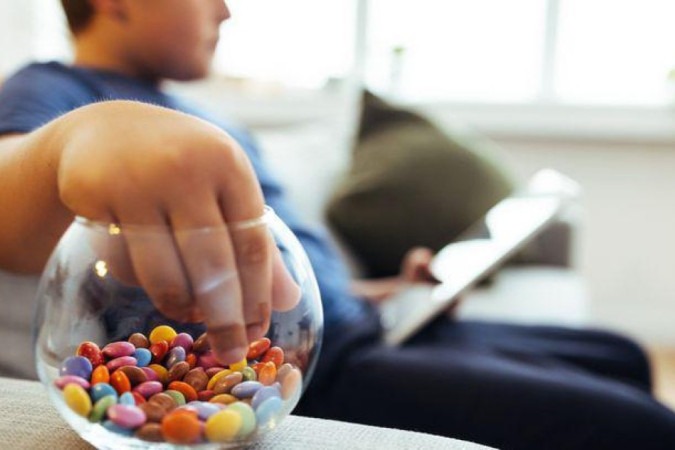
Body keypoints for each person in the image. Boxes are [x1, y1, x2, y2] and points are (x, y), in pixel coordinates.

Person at [0, 1, 674, 449]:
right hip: (310, 368)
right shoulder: (55, 90)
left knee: (622, 353)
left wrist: (386, 288)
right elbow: (12, 196)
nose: (227, 9)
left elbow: (284, 266)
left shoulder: (207, 114)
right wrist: (79, 140)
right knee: (640, 426)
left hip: (370, 322)